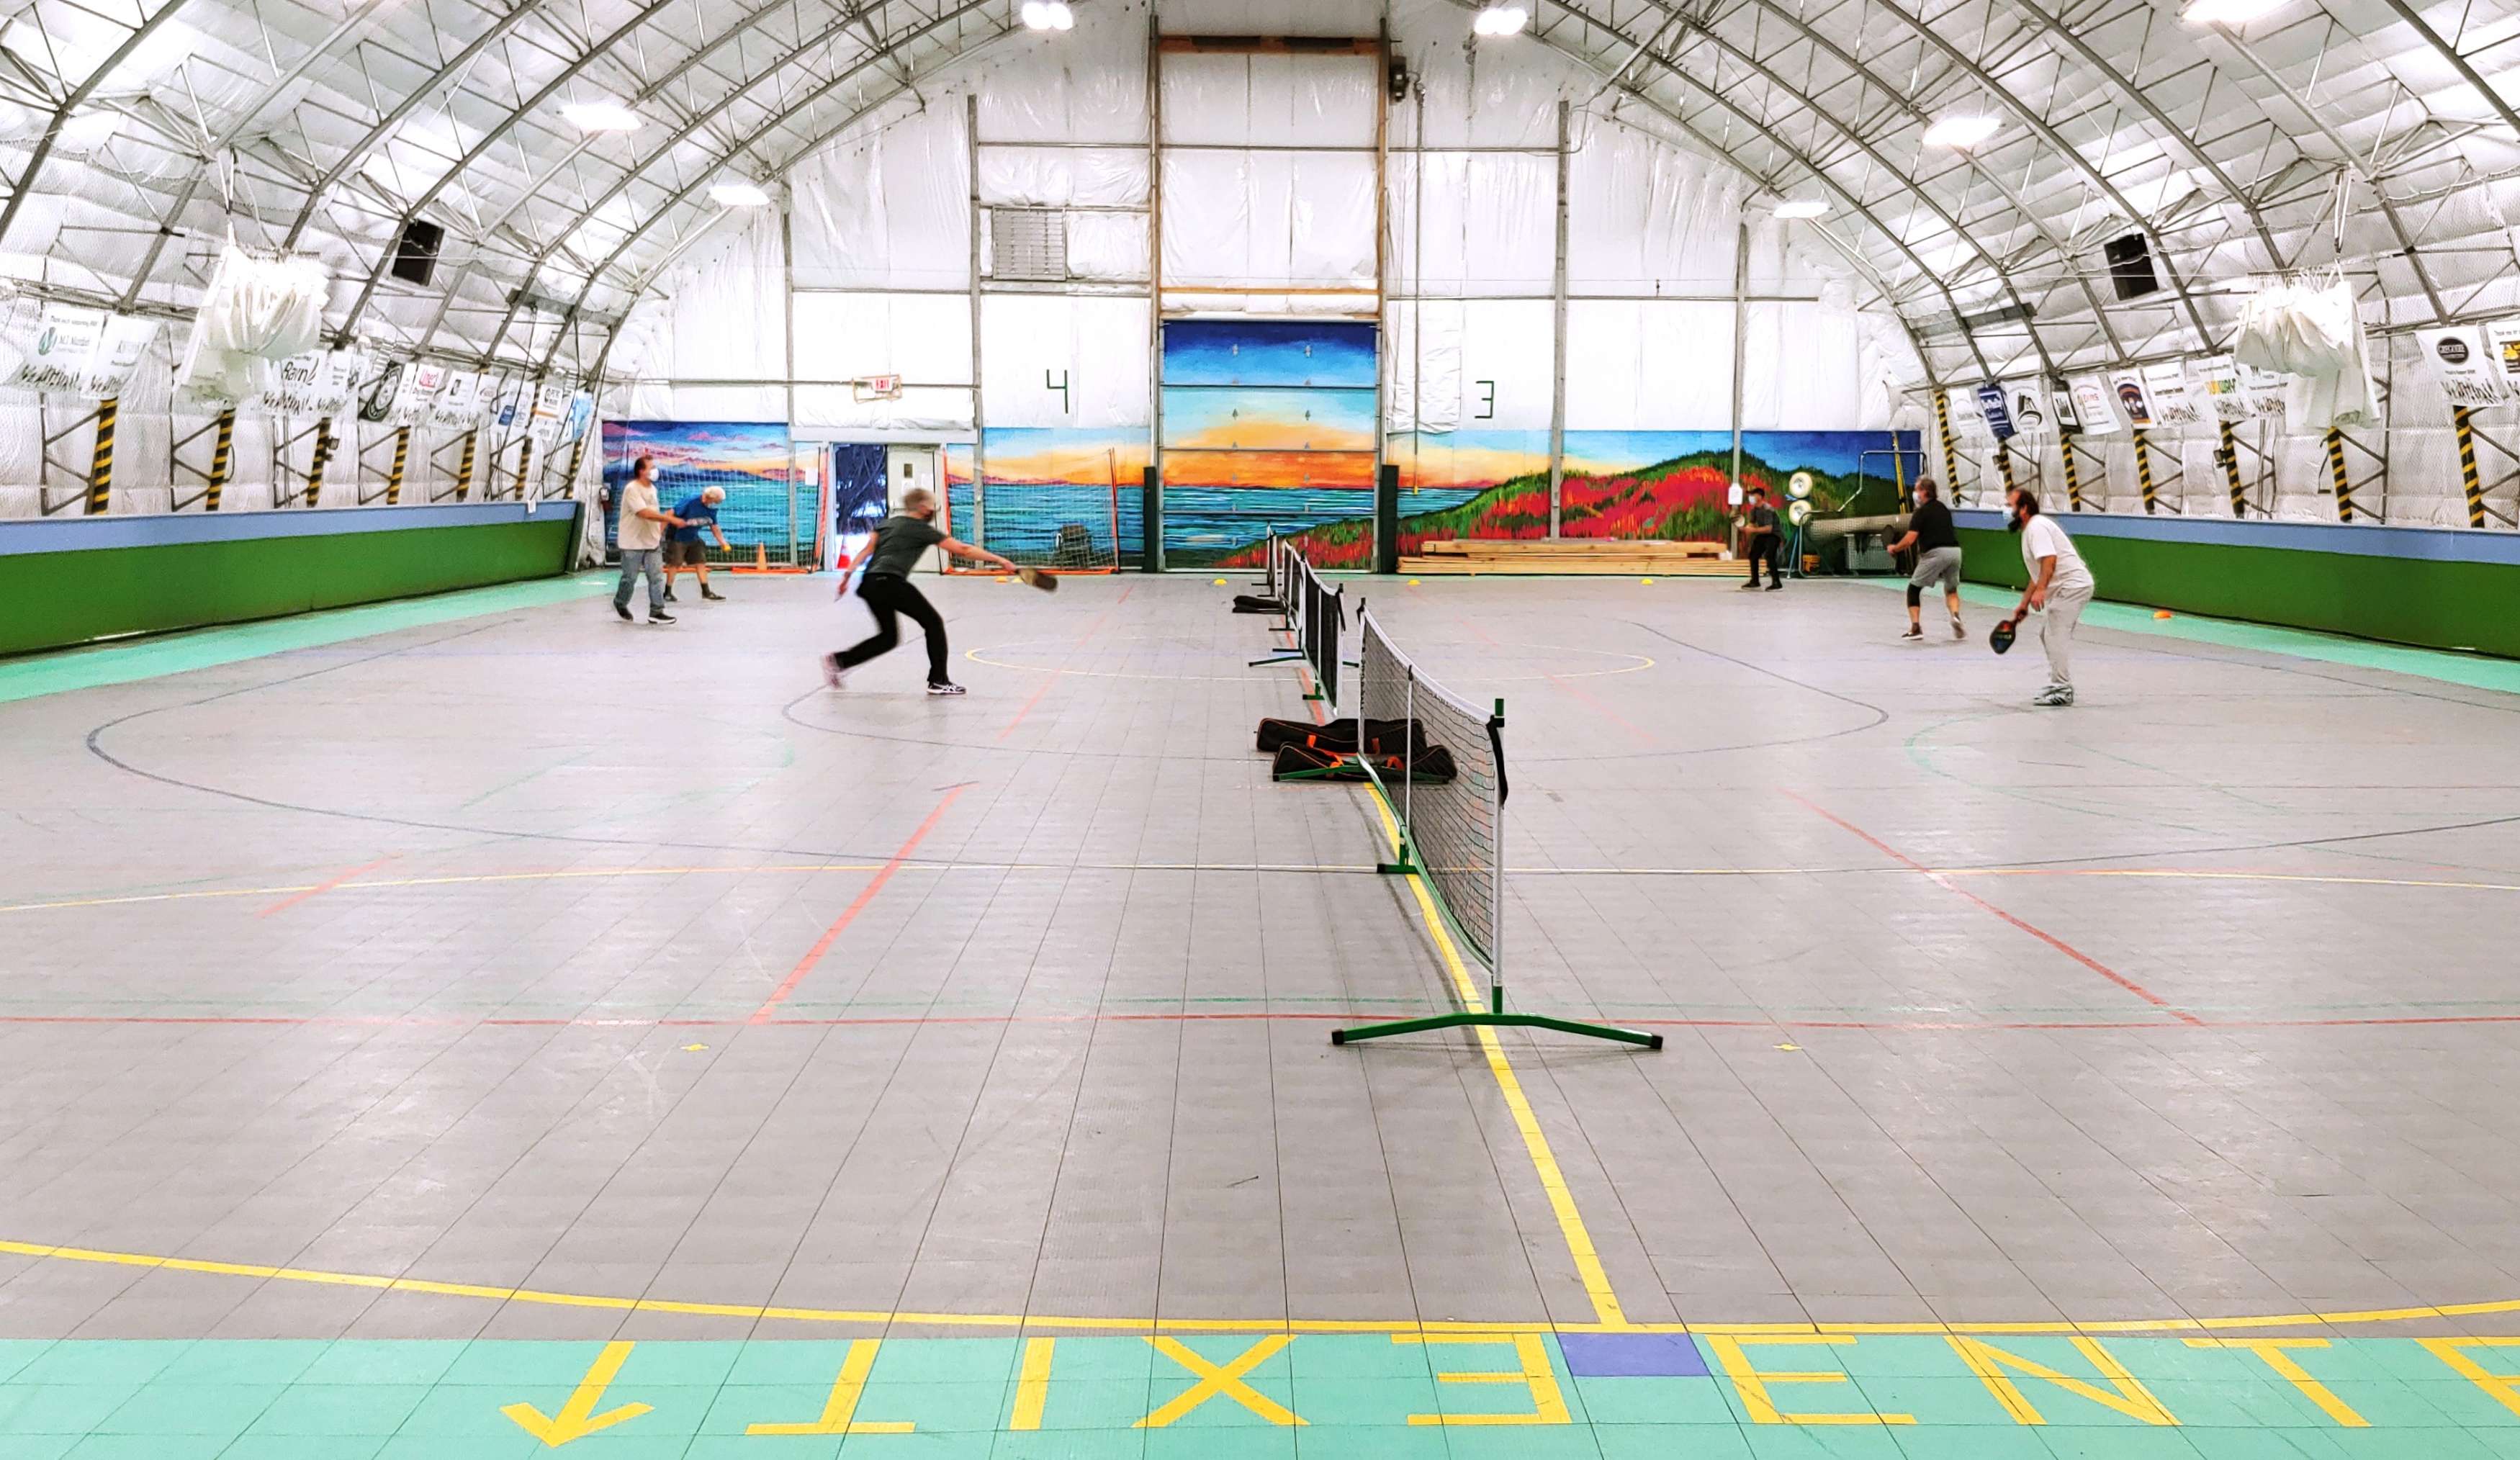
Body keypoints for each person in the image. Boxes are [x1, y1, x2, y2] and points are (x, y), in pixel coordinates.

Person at [824, 487, 1019, 695]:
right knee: (933, 623)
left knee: (889, 637)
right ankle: (939, 681)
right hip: (889, 581)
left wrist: (846, 577)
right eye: (932, 505)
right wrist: (1000, 560)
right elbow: (963, 550)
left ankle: (839, 661)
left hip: (869, 583)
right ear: (923, 507)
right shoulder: (920, 528)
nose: (934, 510)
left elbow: (866, 551)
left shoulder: (887, 525)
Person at [2007, 487, 2096, 707]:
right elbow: (2037, 574)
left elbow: (2049, 560)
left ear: (2024, 508)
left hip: (2073, 586)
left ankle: (2063, 688)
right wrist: (2024, 604)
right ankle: (2058, 683)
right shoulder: (2031, 530)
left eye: (2010, 506)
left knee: (2055, 633)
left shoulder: (2037, 527)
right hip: (2069, 587)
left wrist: (2041, 591)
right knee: (2047, 634)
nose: (2006, 510)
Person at [1884, 476, 1965, 641]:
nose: (1915, 493)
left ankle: (1916, 628)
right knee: (1951, 589)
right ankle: (1956, 616)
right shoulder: (1943, 509)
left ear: (1924, 492)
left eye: (1917, 489)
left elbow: (1910, 539)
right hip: (1955, 553)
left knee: (1914, 589)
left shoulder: (1920, 513)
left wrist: (1895, 548)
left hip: (1936, 554)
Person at [613, 455, 681, 626]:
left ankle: (657, 611)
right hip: (632, 542)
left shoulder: (653, 489)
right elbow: (643, 513)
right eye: (651, 467)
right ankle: (620, 602)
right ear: (642, 471)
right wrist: (668, 519)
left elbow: (652, 512)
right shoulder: (632, 489)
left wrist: (659, 531)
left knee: (656, 577)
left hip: (652, 541)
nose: (654, 471)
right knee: (630, 578)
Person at [663, 485, 731, 603]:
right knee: (675, 564)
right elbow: (669, 514)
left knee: (700, 562)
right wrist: (659, 534)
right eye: (716, 501)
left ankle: (706, 592)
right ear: (709, 498)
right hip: (677, 536)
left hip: (693, 537)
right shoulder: (690, 502)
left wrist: (722, 542)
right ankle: (667, 593)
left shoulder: (711, 509)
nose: (717, 504)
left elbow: (714, 526)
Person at [1739, 487, 1783, 591]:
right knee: (1753, 555)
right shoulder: (1754, 509)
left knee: (1770, 556)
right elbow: (1752, 523)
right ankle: (1755, 581)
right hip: (1763, 534)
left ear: (1759, 496)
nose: (1750, 497)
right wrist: (1745, 528)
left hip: (1774, 535)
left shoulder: (1768, 509)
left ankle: (1777, 582)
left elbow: (1769, 529)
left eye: (1752, 495)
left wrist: (1752, 531)